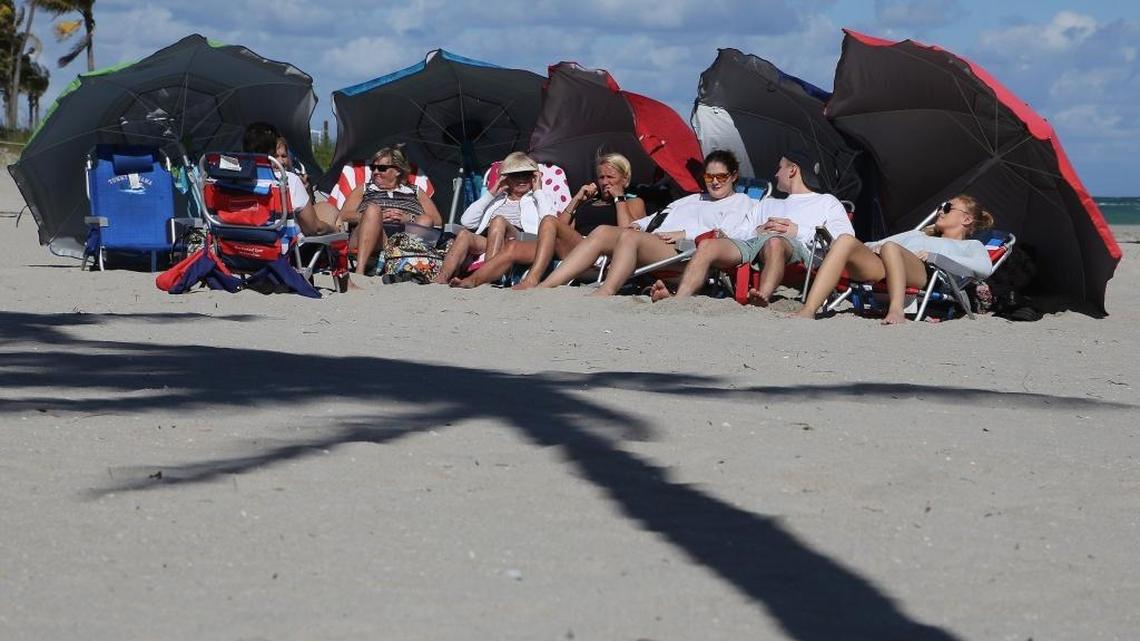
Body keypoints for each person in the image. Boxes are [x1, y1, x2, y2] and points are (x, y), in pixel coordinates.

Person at [534, 150, 759, 295]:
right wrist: (640, 224)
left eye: (721, 177)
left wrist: (685, 233)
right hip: (655, 239)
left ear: (733, 176)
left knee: (630, 238)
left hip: (684, 250)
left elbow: (729, 234)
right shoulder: (694, 198)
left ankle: (606, 291)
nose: (715, 182)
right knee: (603, 231)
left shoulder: (741, 202)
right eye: (710, 177)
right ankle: (547, 285)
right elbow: (660, 215)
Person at [648, 149, 854, 305]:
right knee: (708, 246)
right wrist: (757, 231)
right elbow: (740, 232)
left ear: (792, 170)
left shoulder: (826, 202)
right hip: (753, 245)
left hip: (800, 251)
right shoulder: (767, 203)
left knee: (774, 242)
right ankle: (679, 300)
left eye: (780, 168)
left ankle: (761, 296)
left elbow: (845, 238)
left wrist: (797, 231)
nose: (776, 174)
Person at [447, 153, 645, 289]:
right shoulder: (588, 202)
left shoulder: (633, 202)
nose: (605, 182)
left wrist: (619, 198)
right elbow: (561, 229)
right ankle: (475, 280)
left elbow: (627, 234)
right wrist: (577, 200)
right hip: (576, 247)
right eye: (601, 177)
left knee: (549, 220)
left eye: (610, 177)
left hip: (601, 253)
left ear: (625, 179)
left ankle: (532, 279)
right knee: (512, 248)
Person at [793, 194, 996, 324]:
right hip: (886, 265)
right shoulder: (918, 235)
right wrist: (874, 247)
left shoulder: (971, 246)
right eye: (941, 206)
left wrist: (935, 256)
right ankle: (809, 309)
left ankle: (896, 311)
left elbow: (984, 268)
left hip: (926, 273)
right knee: (845, 240)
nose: (940, 211)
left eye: (948, 207)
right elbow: (873, 244)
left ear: (966, 219)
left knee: (891, 247)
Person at [433, 152, 558, 284]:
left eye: (526, 174)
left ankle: (487, 276)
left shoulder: (539, 198)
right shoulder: (496, 199)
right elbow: (467, 221)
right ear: (506, 178)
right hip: (490, 237)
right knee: (464, 234)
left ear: (534, 177)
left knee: (498, 221)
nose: (522, 179)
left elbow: (550, 221)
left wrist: (538, 191)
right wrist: (491, 194)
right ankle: (442, 277)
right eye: (516, 175)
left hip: (518, 239)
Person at [335, 145, 442, 278]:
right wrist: (373, 217)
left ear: (397, 171)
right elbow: (343, 215)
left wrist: (409, 218)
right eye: (373, 168)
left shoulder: (415, 191)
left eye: (381, 168)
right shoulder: (364, 189)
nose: (375, 172)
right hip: (371, 236)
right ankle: (360, 271)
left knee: (425, 220)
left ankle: (406, 263)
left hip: (405, 239)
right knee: (373, 209)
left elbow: (437, 220)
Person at [242, 122, 335, 237]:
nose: (281, 161)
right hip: (281, 244)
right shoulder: (288, 180)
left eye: (284, 156)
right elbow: (314, 229)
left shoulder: (234, 180)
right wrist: (334, 229)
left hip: (239, 243)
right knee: (329, 211)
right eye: (275, 155)